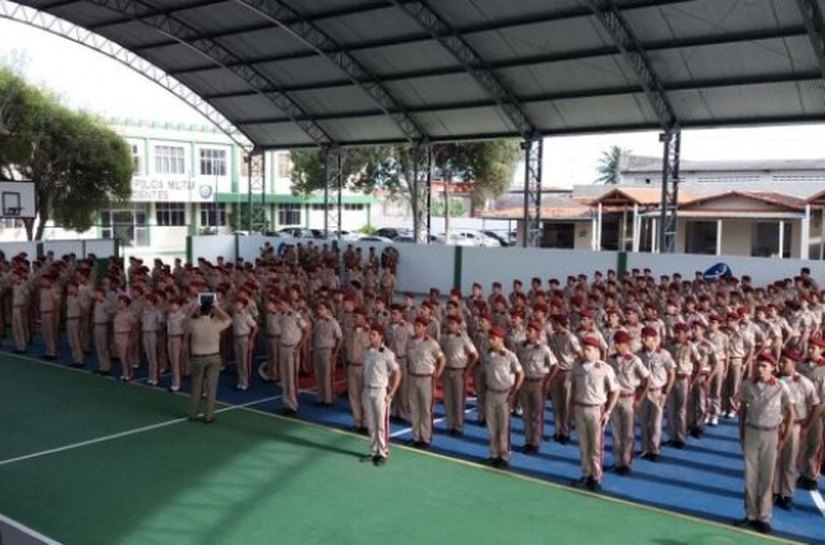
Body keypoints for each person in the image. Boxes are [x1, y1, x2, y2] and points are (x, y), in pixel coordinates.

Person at [737, 352, 794, 534]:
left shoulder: (781, 386)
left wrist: (784, 438)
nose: (760, 369)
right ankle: (751, 515)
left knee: (767, 479)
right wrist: (741, 431)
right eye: (758, 365)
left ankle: (764, 517)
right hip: (752, 432)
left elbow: (791, 413)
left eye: (764, 366)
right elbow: (743, 409)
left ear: (773, 368)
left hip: (771, 434)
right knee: (750, 476)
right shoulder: (748, 384)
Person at [568, 336, 618, 492]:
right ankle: (585, 474)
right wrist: (571, 407)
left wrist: (608, 411)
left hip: (596, 409)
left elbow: (615, 391)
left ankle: (596, 477)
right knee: (583, 444)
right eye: (583, 349)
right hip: (580, 407)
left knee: (596, 446)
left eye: (588, 349)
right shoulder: (577, 366)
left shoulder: (604, 368)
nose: (585, 352)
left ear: (597, 352)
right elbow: (573, 386)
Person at [773, 348, 819, 510]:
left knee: (790, 461)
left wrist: (806, 426)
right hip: (774, 424)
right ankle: (775, 492)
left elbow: (816, 405)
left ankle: (787, 494)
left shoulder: (803, 383)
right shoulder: (773, 379)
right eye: (780, 361)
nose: (780, 364)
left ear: (794, 364)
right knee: (774, 460)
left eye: (784, 362)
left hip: (793, 426)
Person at [483, 325, 524, 469]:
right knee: (492, 425)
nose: (490, 340)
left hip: (504, 394)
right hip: (491, 392)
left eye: (492, 338)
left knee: (503, 427)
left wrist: (514, 391)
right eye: (489, 338)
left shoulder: (509, 356)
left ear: (500, 339)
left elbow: (520, 374)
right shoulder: (487, 354)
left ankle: (504, 456)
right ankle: (494, 454)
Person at [362, 324, 401, 466]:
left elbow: (397, 372)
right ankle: (374, 451)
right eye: (370, 334)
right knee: (371, 423)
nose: (370, 336)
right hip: (367, 389)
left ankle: (383, 452)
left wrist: (391, 392)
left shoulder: (387, 354)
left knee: (381, 424)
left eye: (374, 334)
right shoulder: (366, 351)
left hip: (380, 390)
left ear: (381, 337)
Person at [188, 296, 232, 423]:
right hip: (213, 357)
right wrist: (217, 307)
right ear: (211, 311)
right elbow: (229, 319)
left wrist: (194, 309)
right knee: (211, 388)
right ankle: (209, 416)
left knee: (196, 387)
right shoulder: (215, 324)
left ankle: (193, 413)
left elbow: (183, 321)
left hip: (198, 358)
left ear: (199, 311)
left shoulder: (194, 324)